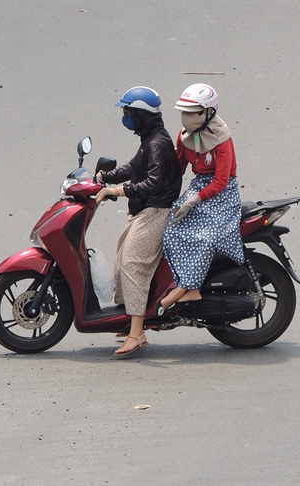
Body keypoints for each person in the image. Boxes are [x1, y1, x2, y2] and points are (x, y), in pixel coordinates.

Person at [96, 86, 182, 357]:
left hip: (157, 212)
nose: (125, 116)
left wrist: (118, 191)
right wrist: (103, 178)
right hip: (144, 211)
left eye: (127, 111)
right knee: (122, 256)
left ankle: (137, 333)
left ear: (140, 114)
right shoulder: (150, 138)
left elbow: (153, 182)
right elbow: (134, 167)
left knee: (133, 265)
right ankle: (128, 318)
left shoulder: (157, 143)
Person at [157, 83, 245, 314]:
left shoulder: (222, 139)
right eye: (184, 113)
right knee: (171, 230)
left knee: (205, 237)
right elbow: (178, 168)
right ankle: (180, 283)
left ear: (208, 112)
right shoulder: (184, 136)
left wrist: (194, 200)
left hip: (221, 195)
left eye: (192, 113)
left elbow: (221, 181)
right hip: (197, 187)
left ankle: (189, 287)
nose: (186, 118)